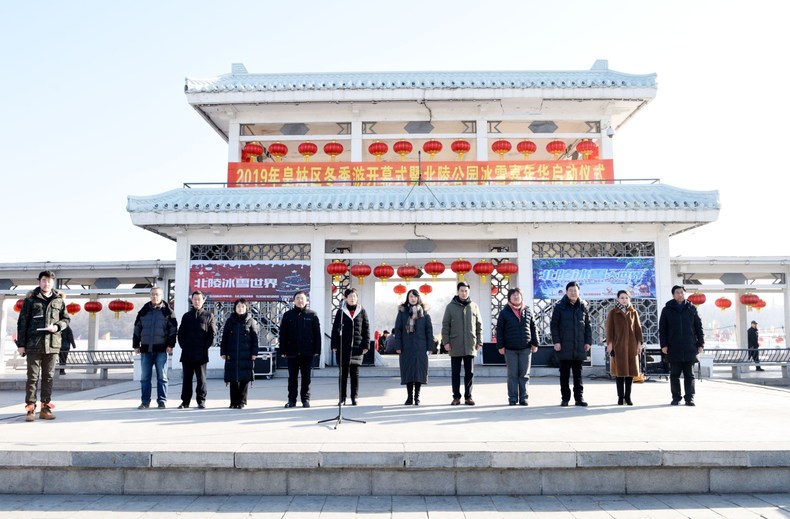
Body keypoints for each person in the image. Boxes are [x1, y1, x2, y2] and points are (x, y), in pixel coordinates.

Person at [16, 270, 71, 421]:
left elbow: (66, 320)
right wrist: (21, 345)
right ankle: (30, 409)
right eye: (44, 280)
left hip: (52, 345)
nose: (46, 283)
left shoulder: (58, 300)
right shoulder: (30, 300)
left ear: (53, 283)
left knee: (49, 377)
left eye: (49, 281)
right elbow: (22, 323)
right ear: (39, 282)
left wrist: (58, 327)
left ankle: (45, 408)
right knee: (32, 378)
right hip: (33, 345)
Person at [659, 285, 705, 406]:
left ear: (684, 294)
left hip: (690, 346)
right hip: (673, 347)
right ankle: (676, 397)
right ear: (673, 295)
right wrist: (663, 345)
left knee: (689, 374)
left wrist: (700, 344)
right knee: (674, 375)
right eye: (677, 293)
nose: (680, 294)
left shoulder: (692, 309)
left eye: (682, 292)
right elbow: (662, 329)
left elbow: (699, 328)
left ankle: (689, 398)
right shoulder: (667, 309)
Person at [133, 287, 178, 409]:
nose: (154, 297)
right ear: (150, 296)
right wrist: (136, 345)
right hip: (146, 350)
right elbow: (137, 328)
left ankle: (162, 401)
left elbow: (173, 329)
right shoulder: (144, 311)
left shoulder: (168, 312)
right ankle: (145, 402)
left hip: (161, 350)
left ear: (162, 296)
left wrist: (170, 345)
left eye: (157, 294)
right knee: (145, 377)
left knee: (162, 377)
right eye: (152, 294)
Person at [550, 281, 592, 407]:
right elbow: (554, 326)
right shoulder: (559, 306)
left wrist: (588, 341)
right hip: (564, 345)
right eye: (570, 290)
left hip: (579, 345)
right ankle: (565, 398)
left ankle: (579, 398)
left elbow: (588, 325)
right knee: (564, 374)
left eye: (575, 290)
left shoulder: (583, 306)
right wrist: (556, 341)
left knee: (578, 375)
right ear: (566, 292)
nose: (573, 293)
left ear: (579, 292)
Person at [442, 281, 483, 406]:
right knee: (455, 372)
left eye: (466, 291)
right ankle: (456, 397)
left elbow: (479, 325)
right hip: (455, 344)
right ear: (457, 291)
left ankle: (468, 397)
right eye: (461, 290)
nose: (464, 293)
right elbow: (445, 325)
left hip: (470, 344)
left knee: (469, 372)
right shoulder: (450, 307)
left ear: (468, 291)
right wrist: (446, 342)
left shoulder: (474, 306)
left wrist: (479, 341)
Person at [496, 288, 539, 406]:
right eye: (513, 295)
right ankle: (513, 398)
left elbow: (533, 327)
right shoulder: (504, 312)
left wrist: (535, 343)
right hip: (510, 349)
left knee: (524, 374)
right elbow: (499, 330)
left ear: (521, 296)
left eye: (518, 295)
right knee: (512, 374)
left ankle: (524, 398)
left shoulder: (528, 310)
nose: (516, 297)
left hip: (526, 348)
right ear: (509, 298)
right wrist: (500, 345)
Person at [279, 290, 322, 408]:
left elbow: (317, 334)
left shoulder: (312, 315)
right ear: (294, 300)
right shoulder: (288, 315)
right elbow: (283, 334)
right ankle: (291, 400)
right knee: (292, 377)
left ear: (306, 300)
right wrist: (282, 350)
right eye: (297, 298)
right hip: (292, 351)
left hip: (307, 352)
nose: (300, 300)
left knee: (306, 377)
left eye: (302, 298)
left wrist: (317, 350)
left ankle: (305, 399)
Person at [176, 290, 216, 409]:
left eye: (199, 299)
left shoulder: (209, 315)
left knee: (201, 379)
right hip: (187, 353)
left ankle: (201, 401)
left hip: (201, 353)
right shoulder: (186, 316)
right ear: (192, 301)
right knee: (187, 379)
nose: (197, 301)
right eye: (195, 299)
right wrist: (184, 346)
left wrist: (205, 347)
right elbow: (181, 333)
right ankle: (185, 401)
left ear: (203, 300)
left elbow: (212, 334)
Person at [331, 288, 370, 406]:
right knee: (342, 374)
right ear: (345, 298)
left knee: (355, 374)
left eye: (354, 296)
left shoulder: (361, 311)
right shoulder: (341, 312)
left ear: (357, 298)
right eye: (350, 297)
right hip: (343, 347)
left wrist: (366, 345)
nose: (352, 299)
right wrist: (334, 345)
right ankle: (342, 398)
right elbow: (335, 330)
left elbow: (366, 329)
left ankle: (354, 397)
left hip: (357, 348)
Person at [395, 289, 434, 405]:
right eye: (411, 296)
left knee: (418, 371)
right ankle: (409, 397)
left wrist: (430, 347)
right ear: (408, 298)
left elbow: (429, 331)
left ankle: (417, 397)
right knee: (408, 371)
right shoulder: (402, 312)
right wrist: (398, 345)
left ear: (418, 298)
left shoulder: (425, 313)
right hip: (406, 346)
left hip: (420, 347)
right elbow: (398, 329)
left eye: (415, 297)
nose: (413, 299)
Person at [605, 290, 644, 405]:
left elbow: (638, 329)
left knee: (630, 373)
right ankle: (620, 397)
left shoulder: (633, 312)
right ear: (618, 299)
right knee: (619, 373)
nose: (624, 300)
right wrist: (610, 344)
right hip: (618, 346)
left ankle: (628, 397)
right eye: (622, 297)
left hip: (631, 347)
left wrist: (639, 343)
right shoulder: (613, 313)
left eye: (626, 297)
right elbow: (609, 330)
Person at [220, 298, 259, 409]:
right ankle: (233, 402)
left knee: (244, 378)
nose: (240, 308)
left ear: (246, 308)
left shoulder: (250, 321)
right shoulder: (230, 321)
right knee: (233, 379)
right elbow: (225, 338)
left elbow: (255, 339)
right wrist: (223, 352)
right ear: (234, 308)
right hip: (232, 354)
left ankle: (241, 402)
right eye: (238, 306)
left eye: (242, 306)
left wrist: (254, 353)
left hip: (246, 355)